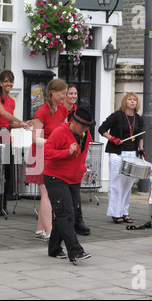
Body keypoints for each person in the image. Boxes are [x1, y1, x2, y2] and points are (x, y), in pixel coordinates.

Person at [43, 106, 94, 265]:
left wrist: (82, 168)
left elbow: (82, 153)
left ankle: (54, 248)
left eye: (87, 127)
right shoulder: (60, 132)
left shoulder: (85, 133)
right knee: (67, 213)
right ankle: (76, 250)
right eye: (83, 126)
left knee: (65, 214)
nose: (85, 130)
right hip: (55, 177)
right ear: (74, 122)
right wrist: (66, 152)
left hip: (74, 179)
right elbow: (46, 152)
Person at [25, 79, 68, 241]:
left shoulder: (63, 110)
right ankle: (51, 233)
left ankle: (39, 230)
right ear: (53, 93)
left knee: (48, 192)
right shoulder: (41, 112)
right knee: (46, 193)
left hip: (52, 155)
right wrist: (53, 144)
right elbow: (35, 138)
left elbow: (64, 130)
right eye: (63, 93)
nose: (65, 96)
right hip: (40, 155)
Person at [0, 70, 32, 216]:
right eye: (6, 81)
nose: (9, 84)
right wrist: (21, 121)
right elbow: (3, 114)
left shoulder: (12, 101)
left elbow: (9, 123)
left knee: (7, 170)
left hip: (6, 134)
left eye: (11, 81)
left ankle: (3, 203)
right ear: (0, 83)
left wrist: (23, 125)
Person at [98, 92, 144, 224]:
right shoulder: (117, 115)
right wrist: (112, 138)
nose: (132, 101)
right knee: (116, 183)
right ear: (125, 101)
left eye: (134, 99)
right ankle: (115, 212)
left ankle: (124, 212)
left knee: (128, 184)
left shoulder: (139, 119)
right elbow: (102, 129)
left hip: (132, 154)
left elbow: (140, 137)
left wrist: (141, 149)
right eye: (129, 99)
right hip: (117, 153)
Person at [63, 84, 91, 236]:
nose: (73, 96)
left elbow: (86, 139)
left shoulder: (78, 112)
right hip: (62, 153)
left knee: (75, 192)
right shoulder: (60, 111)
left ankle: (78, 220)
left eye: (75, 93)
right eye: (70, 93)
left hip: (76, 157)